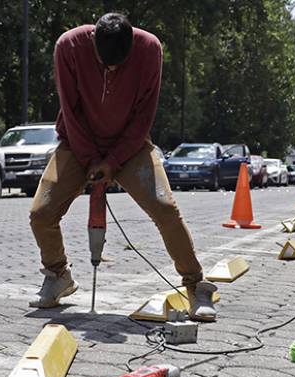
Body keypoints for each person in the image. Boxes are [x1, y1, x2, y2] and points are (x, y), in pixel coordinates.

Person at [28, 13, 217, 321]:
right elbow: (70, 110)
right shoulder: (69, 46)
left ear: (132, 43)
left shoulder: (150, 49)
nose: (112, 69)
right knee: (41, 213)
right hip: (78, 144)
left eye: (119, 63)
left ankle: (196, 286)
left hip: (130, 146)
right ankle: (58, 274)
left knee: (164, 208)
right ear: (93, 41)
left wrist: (113, 161)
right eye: (106, 63)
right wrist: (91, 159)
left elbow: (145, 114)